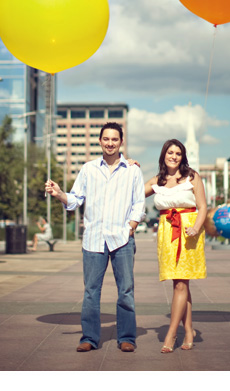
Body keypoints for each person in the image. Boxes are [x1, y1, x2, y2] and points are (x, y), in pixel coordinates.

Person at [46, 122, 145, 352]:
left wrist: (130, 228)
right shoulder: (89, 169)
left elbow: (139, 203)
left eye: (115, 139)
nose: (110, 143)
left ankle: (127, 337)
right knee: (91, 291)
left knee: (126, 290)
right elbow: (75, 200)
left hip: (122, 240)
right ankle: (89, 338)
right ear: (100, 141)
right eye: (106, 139)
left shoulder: (133, 170)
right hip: (93, 239)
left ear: (121, 142)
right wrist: (59, 193)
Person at [144, 139, 208, 353]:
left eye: (178, 153)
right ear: (163, 155)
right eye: (170, 152)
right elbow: (133, 191)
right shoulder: (157, 180)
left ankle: (172, 334)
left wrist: (196, 228)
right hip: (167, 233)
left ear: (183, 156)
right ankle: (189, 331)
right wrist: (131, 167)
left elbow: (202, 207)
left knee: (180, 284)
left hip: (188, 233)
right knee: (180, 283)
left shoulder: (192, 176)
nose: (173, 156)